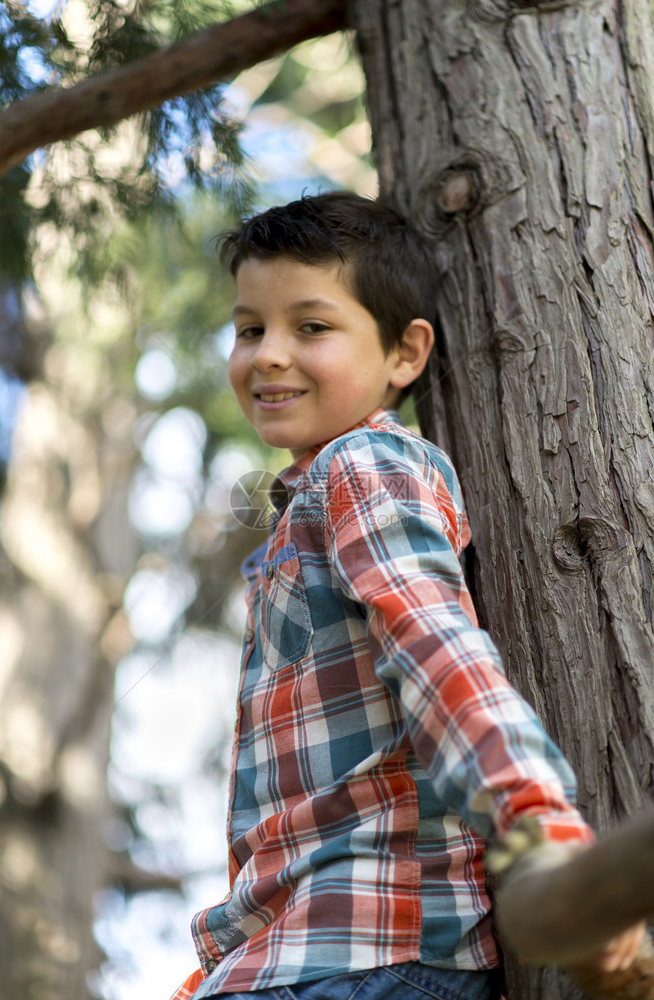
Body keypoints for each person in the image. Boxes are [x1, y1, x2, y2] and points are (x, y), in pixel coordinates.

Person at [170, 192, 643, 1000]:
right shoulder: (312, 498)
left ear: (405, 354)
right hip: (314, 953)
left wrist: (542, 823)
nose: (269, 354)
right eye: (251, 328)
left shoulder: (366, 467)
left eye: (311, 327)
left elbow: (435, 644)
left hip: (366, 949)